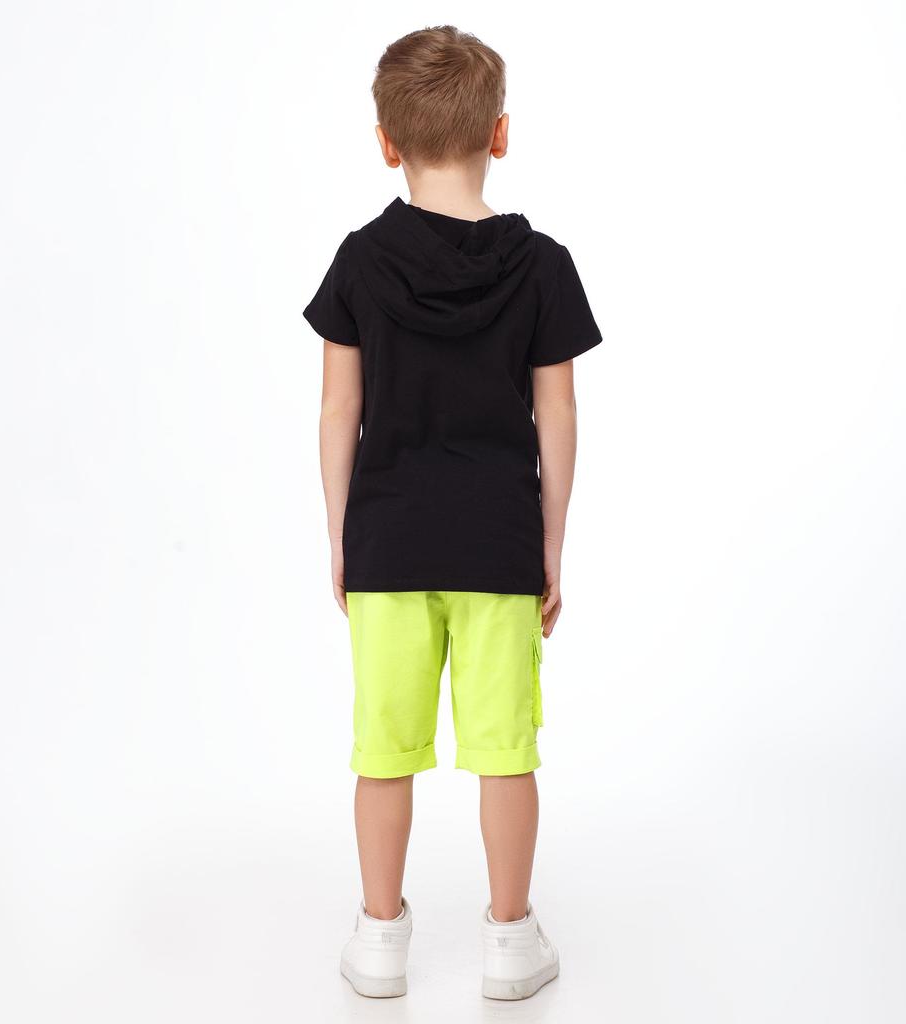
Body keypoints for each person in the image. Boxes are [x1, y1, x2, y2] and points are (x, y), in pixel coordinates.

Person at [303, 25, 603, 1001]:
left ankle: (379, 938)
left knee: (382, 751)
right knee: (505, 752)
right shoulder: (543, 265)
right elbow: (557, 414)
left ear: (386, 143)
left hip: (388, 542)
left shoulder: (358, 262)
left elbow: (338, 411)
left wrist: (342, 537)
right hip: (497, 543)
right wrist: (549, 544)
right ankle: (510, 941)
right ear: (500, 134)